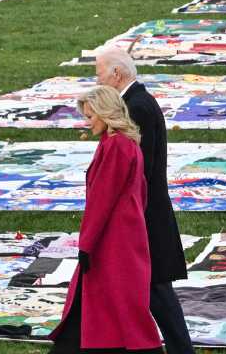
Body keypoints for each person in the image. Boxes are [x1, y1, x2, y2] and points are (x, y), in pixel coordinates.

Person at [49, 85, 164, 354]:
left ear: (105, 113)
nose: (87, 123)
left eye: (90, 116)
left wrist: (86, 244)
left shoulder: (116, 147)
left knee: (112, 304)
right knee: (113, 304)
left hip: (112, 240)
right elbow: (140, 193)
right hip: (123, 234)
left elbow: (101, 199)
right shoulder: (124, 144)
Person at [94, 48, 194, 354]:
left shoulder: (135, 108)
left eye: (99, 73)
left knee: (156, 287)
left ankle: (178, 348)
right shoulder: (138, 101)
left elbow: (138, 168)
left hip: (144, 212)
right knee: (154, 287)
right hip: (146, 208)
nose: (97, 80)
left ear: (116, 74)